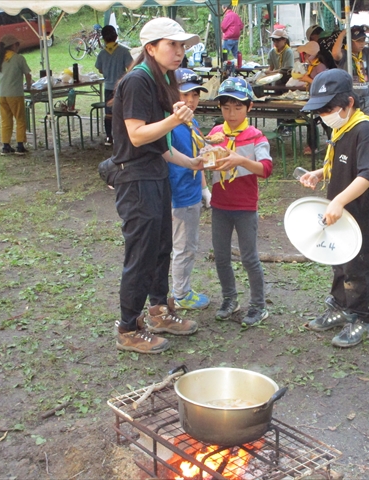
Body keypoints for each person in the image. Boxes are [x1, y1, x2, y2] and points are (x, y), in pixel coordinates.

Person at [111, 18, 204, 354]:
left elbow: (161, 145)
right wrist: (175, 118)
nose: (180, 52)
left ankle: (158, 310)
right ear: (150, 48)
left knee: (162, 246)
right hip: (135, 178)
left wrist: (191, 162)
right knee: (141, 253)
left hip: (155, 173)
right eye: (172, 45)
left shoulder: (161, 79)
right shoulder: (138, 81)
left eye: (182, 46)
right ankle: (128, 327)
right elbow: (136, 135)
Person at [297, 69, 369, 348]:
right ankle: (340, 307)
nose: (325, 115)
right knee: (338, 260)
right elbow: (344, 163)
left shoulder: (363, 129)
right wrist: (321, 172)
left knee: (356, 267)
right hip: (339, 213)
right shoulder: (339, 128)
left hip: (358, 212)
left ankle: (360, 318)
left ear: (349, 103)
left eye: (329, 108)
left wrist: (339, 200)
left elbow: (367, 174)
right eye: (320, 110)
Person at [206, 77, 273, 327]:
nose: (231, 113)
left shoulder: (256, 137)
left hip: (245, 207)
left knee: (249, 258)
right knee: (221, 256)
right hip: (220, 205)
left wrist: (240, 160)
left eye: (237, 107)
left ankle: (258, 306)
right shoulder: (215, 134)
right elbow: (206, 160)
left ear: (249, 107)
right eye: (225, 108)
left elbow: (265, 169)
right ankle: (229, 299)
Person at [169, 68, 212, 310]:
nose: (190, 100)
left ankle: (178, 290)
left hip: (193, 190)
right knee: (184, 248)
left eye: (195, 94)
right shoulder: (169, 124)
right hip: (179, 194)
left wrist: (205, 188)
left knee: (186, 245)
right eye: (184, 94)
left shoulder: (191, 121)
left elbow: (199, 156)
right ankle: (181, 294)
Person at [332, 25, 369, 121]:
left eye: (363, 40)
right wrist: (342, 34)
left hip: (366, 98)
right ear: (349, 42)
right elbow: (335, 54)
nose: (362, 44)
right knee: (351, 123)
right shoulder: (345, 54)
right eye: (358, 41)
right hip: (349, 98)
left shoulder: (367, 53)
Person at [95, 25, 133, 146]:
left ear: (103, 39)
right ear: (116, 37)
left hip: (108, 86)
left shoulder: (101, 53)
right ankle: (121, 136)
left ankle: (108, 137)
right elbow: (131, 66)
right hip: (121, 86)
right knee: (122, 112)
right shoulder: (123, 51)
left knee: (109, 113)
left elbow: (100, 69)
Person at [0, 35, 31, 155]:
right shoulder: (18, 58)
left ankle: (6, 146)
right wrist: (29, 86)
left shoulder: (1, 59)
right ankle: (20, 145)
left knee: (6, 120)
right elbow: (28, 75)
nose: (19, 47)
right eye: (18, 45)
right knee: (20, 119)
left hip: (2, 94)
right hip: (15, 94)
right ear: (13, 45)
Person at [296, 41, 328, 155]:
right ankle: (312, 146)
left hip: (322, 99)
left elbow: (322, 84)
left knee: (325, 122)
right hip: (313, 97)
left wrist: (307, 79)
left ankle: (330, 141)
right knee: (311, 122)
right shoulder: (310, 65)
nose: (304, 56)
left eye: (305, 54)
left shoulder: (320, 66)